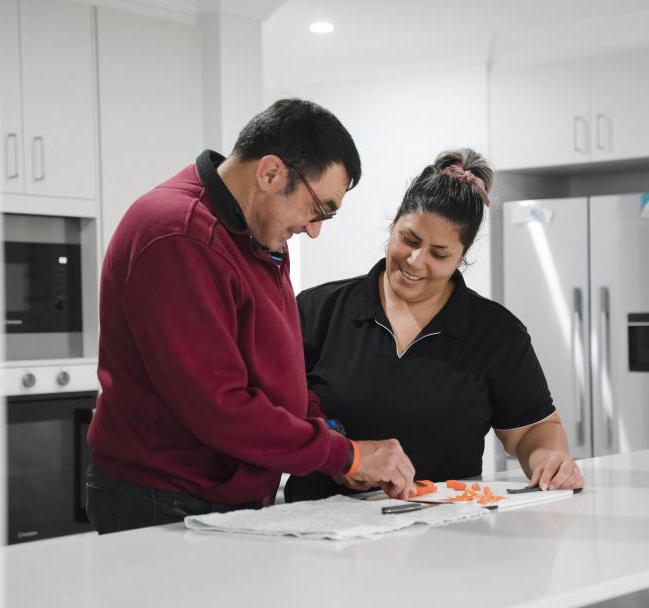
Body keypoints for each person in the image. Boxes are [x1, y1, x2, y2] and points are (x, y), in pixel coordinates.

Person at [86, 99, 416, 534]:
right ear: (270, 173)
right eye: (318, 210)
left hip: (221, 495)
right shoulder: (179, 235)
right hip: (164, 499)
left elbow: (278, 376)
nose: (315, 230)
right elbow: (219, 405)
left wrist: (330, 439)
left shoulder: (256, 236)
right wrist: (347, 454)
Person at [285, 148, 584, 502]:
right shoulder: (318, 310)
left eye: (439, 254)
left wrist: (549, 458)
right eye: (408, 239)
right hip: (318, 528)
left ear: (462, 256)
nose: (415, 261)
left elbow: (533, 429)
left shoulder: (495, 333)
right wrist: (339, 456)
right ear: (393, 225)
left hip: (444, 533)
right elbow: (276, 412)